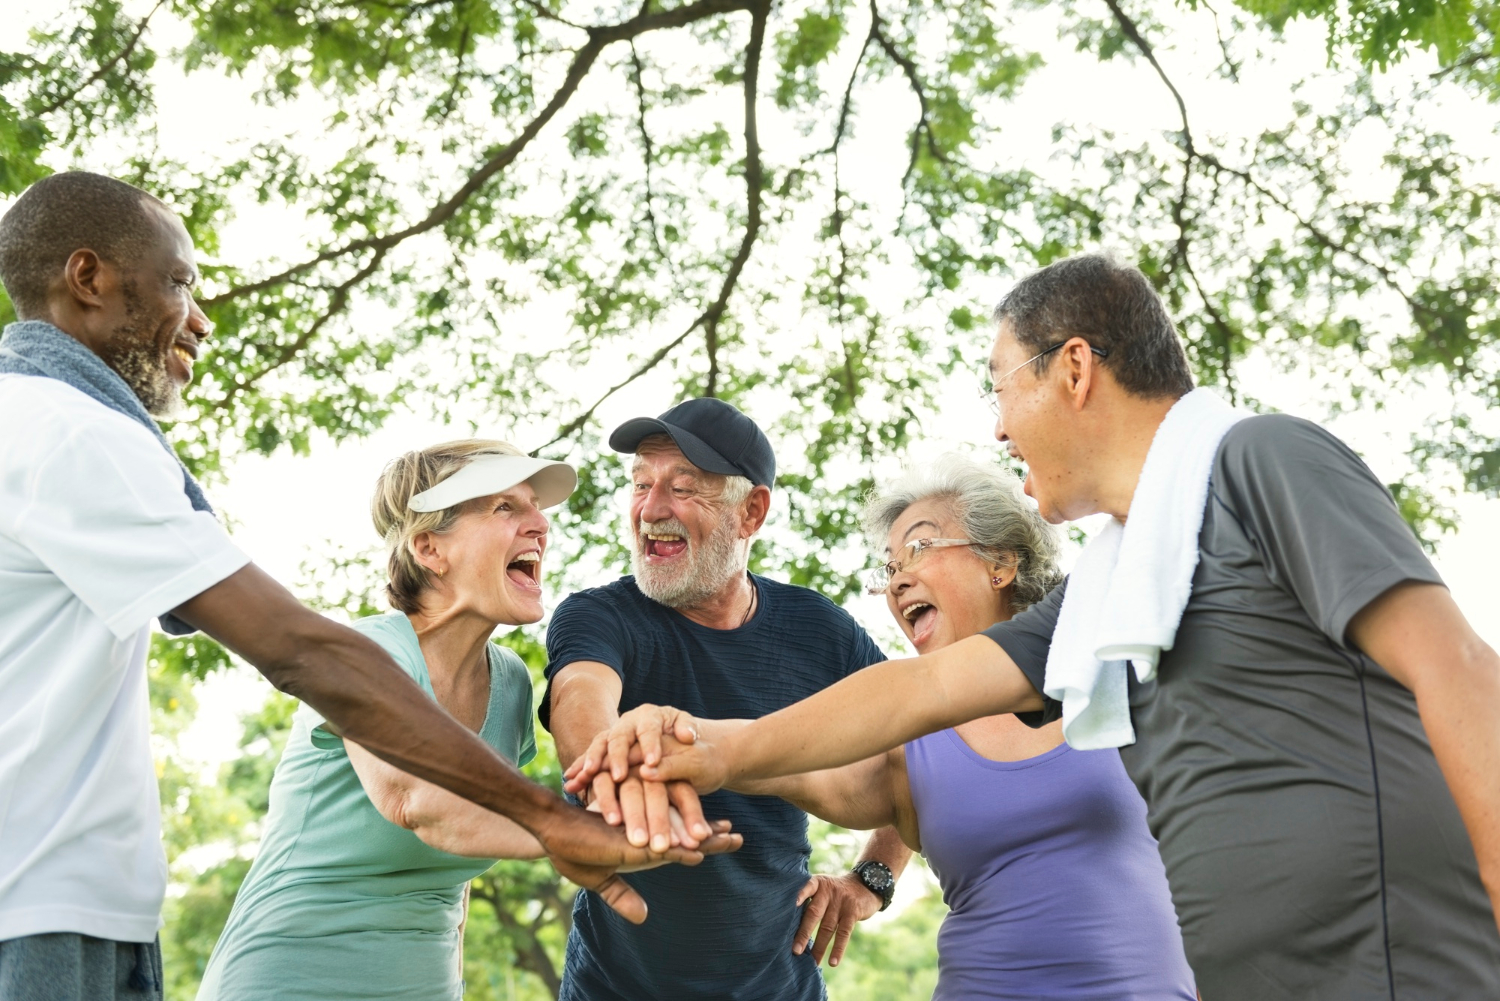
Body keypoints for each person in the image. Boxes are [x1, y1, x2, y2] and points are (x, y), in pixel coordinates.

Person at [572, 253, 1500, 999]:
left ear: (1075, 368)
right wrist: (709, 745)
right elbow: (925, 687)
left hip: (1390, 962)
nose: (1002, 428)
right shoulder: (1111, 591)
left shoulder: (1257, 459)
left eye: (1002, 388)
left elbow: (1458, 668)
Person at [0, 171, 725, 1001]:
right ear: (87, 279)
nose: (201, 319)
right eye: (180, 283)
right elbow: (302, 652)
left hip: (76, 901)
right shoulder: (67, 430)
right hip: (41, 902)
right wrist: (556, 822)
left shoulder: (52, 428)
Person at [604, 453, 1197, 999]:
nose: (895, 581)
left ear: (1001, 563)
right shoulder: (909, 746)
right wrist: (675, 731)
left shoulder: (1113, 666)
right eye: (889, 566)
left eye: (919, 549)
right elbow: (786, 762)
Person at [196, 440, 740, 1000]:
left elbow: (453, 880)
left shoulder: (509, 683)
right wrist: (578, 833)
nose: (539, 525)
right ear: (430, 548)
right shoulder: (369, 652)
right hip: (288, 979)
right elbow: (420, 802)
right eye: (505, 507)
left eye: (534, 507)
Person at [541, 397, 905, 1000]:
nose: (650, 509)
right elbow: (581, 695)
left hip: (779, 986)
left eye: (682, 488)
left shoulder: (820, 630)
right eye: (640, 484)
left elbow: (915, 747)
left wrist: (874, 878)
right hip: (614, 988)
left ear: (751, 512)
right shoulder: (598, 614)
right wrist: (610, 774)